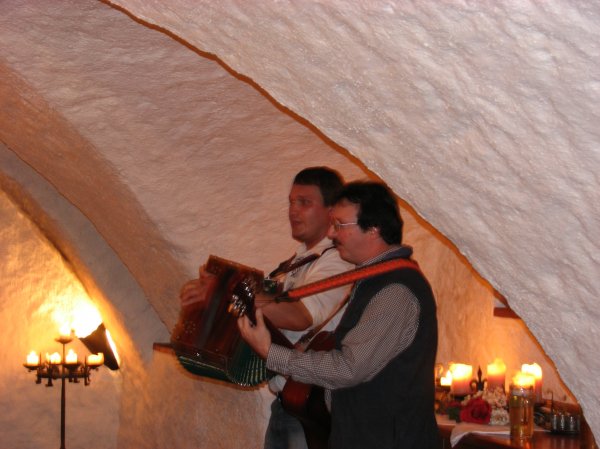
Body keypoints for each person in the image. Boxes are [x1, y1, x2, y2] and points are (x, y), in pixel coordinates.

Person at [238, 181, 442, 449]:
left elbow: (348, 368)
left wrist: (271, 352)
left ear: (373, 229)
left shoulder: (396, 289)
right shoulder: (373, 279)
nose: (331, 233)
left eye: (340, 225)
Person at [180, 167, 353, 449]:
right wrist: (215, 300)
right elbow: (268, 311)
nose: (293, 211)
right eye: (291, 202)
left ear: (331, 211)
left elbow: (299, 316)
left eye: (304, 202)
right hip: (288, 402)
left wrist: (226, 290)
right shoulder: (296, 263)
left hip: (311, 407)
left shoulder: (337, 262)